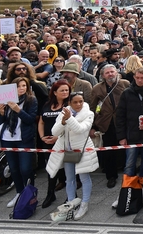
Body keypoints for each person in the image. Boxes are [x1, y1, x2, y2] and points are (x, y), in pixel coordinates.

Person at [46, 90, 99, 220]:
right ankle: (71, 203)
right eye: (75, 102)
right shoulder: (64, 113)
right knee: (69, 179)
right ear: (69, 103)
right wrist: (63, 121)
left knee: (84, 177)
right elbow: (54, 131)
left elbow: (80, 129)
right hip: (66, 150)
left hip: (82, 150)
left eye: (81, 101)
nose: (78, 104)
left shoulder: (89, 113)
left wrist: (68, 119)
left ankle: (84, 203)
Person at [0, 76, 38, 207]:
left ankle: (30, 193)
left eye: (24, 86)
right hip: (7, 138)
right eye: (19, 86)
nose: (22, 88)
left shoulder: (31, 100)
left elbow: (31, 119)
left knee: (25, 168)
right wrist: (1, 112)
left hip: (24, 139)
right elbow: (0, 123)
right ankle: (19, 192)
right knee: (13, 169)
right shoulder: (7, 101)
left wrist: (18, 110)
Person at [115, 68, 143, 189]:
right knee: (129, 164)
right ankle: (127, 190)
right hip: (131, 135)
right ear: (134, 77)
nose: (140, 80)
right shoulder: (127, 93)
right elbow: (120, 116)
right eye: (138, 78)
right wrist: (122, 137)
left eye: (142, 78)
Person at [89, 64, 128, 189]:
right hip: (106, 123)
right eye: (107, 73)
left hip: (123, 121)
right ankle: (111, 176)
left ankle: (125, 170)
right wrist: (93, 126)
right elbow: (93, 108)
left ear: (116, 72)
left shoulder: (125, 84)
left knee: (125, 147)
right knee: (109, 151)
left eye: (112, 72)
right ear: (103, 75)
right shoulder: (97, 89)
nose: (110, 74)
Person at [38, 80, 70, 208]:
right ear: (55, 92)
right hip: (48, 142)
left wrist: (56, 137)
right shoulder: (47, 104)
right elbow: (41, 122)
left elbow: (69, 124)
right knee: (51, 168)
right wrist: (42, 137)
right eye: (62, 90)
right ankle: (50, 193)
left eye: (67, 90)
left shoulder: (70, 105)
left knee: (69, 169)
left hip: (65, 142)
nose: (65, 92)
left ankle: (70, 195)